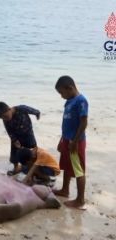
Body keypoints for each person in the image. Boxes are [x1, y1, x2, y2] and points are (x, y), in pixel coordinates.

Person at [52, 75, 88, 209]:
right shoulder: (69, 101)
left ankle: (80, 200)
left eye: (62, 92)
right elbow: (66, 123)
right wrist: (62, 140)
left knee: (78, 170)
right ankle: (65, 190)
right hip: (66, 140)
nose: (61, 96)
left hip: (75, 142)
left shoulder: (81, 101)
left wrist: (75, 141)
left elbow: (84, 123)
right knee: (67, 166)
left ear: (70, 88)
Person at [0, 102, 40, 176]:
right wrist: (14, 140)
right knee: (14, 153)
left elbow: (32, 110)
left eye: (5, 116)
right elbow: (9, 131)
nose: (5, 119)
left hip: (28, 134)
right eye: (2, 118)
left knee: (33, 152)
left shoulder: (21, 109)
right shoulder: (5, 120)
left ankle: (34, 169)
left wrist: (37, 113)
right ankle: (16, 168)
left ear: (9, 108)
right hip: (16, 136)